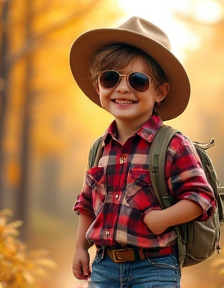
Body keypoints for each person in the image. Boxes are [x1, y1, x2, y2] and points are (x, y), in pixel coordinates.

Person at [70, 16, 216, 288]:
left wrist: (163, 219)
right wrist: (81, 247)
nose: (122, 88)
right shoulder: (100, 147)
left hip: (155, 268)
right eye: (110, 78)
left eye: (137, 80)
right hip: (104, 267)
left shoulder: (173, 145)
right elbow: (88, 202)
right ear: (98, 86)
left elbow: (202, 198)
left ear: (160, 91)